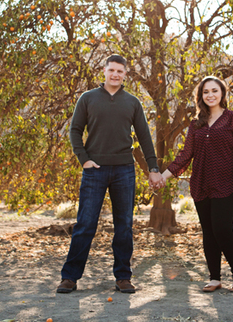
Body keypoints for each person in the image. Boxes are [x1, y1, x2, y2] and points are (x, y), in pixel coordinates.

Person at [57, 54, 164, 294]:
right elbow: (75, 131)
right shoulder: (87, 98)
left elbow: (145, 137)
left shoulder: (132, 102)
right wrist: (84, 160)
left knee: (124, 226)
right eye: (112, 70)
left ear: (125, 74)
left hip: (124, 170)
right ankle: (69, 277)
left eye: (120, 71)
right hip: (94, 170)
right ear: (104, 71)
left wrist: (153, 168)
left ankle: (123, 277)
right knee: (85, 224)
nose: (115, 74)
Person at [157, 76, 233, 293]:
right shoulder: (196, 124)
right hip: (201, 183)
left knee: (222, 230)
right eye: (205, 92)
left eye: (214, 91)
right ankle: (214, 278)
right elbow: (185, 155)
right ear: (200, 96)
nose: (210, 95)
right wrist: (163, 176)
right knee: (208, 232)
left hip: (226, 183)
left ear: (222, 93)